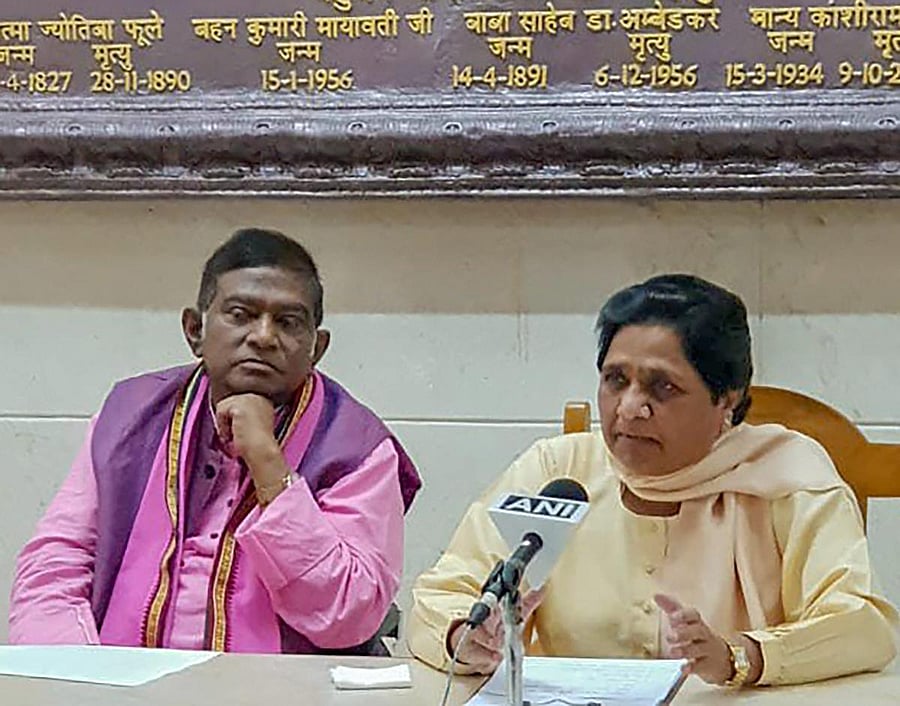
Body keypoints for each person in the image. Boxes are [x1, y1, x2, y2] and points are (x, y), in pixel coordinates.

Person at [407, 274, 897, 687]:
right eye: (616, 380)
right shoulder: (558, 472)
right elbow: (439, 595)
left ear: (726, 399)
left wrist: (742, 656)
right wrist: (464, 637)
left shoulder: (787, 479)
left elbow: (862, 626)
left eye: (662, 387)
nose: (628, 409)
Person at [10, 228, 421, 654]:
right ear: (194, 330)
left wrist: (268, 465)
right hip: (119, 683)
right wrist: (78, 677)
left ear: (317, 347)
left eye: (288, 322)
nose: (264, 336)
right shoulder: (129, 417)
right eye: (241, 314)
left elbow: (350, 614)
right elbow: (53, 569)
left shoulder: (357, 448)